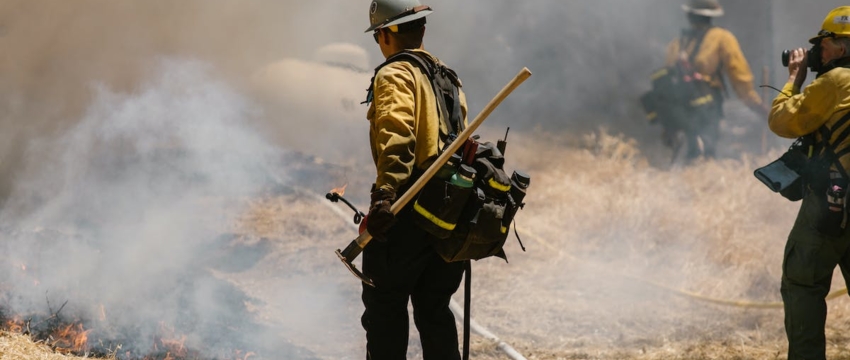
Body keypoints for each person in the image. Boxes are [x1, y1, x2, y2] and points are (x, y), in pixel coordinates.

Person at [359, 0, 469, 359]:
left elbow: (398, 135)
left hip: (407, 211)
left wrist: (385, 198)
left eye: (378, 34)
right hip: (447, 214)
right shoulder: (449, 77)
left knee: (385, 310)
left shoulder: (394, 74)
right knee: (435, 311)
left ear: (386, 33)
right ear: (422, 27)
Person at [768, 6, 850, 360]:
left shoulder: (835, 82)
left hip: (830, 207)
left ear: (843, 47)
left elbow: (782, 121)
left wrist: (794, 79)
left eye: (824, 43)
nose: (819, 50)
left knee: (802, 285)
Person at [663, 0, 768, 160]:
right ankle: (700, 174)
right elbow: (739, 75)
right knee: (706, 148)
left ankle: (685, 175)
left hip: (679, 106)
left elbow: (668, 77)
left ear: (689, 15)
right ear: (711, 16)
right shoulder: (722, 38)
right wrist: (755, 103)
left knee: (686, 149)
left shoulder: (677, 43)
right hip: (707, 104)